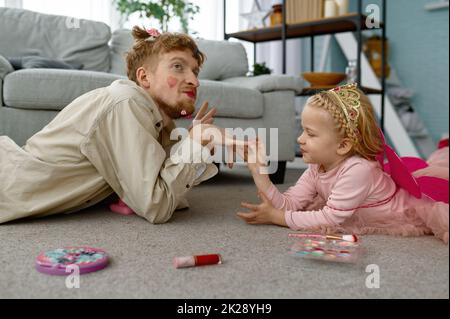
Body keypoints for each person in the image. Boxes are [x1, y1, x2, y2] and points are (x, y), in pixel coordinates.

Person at [0, 27, 235, 224]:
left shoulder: (162, 123)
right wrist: (193, 144)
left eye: (195, 71)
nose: (194, 80)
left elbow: (175, 198)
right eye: (178, 67)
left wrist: (197, 146)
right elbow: (157, 206)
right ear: (144, 78)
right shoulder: (126, 102)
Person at [236, 83, 449, 244]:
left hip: (405, 210)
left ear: (344, 145)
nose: (300, 139)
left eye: (310, 133)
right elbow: (291, 203)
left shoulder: (358, 170)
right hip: (365, 202)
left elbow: (330, 218)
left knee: (439, 189)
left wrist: (277, 218)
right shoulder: (316, 166)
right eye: (302, 130)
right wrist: (260, 173)